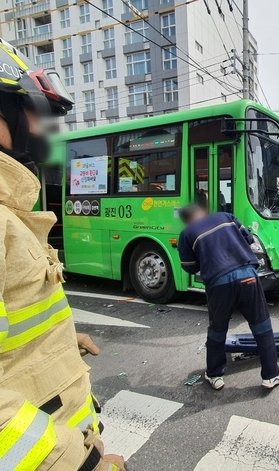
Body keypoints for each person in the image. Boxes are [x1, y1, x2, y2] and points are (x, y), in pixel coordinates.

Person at [0, 39, 125, 469]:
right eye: (32, 112)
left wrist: (59, 342)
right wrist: (84, 465)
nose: (42, 129)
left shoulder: (9, 213)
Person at [177, 204, 279, 390]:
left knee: (217, 330)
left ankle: (215, 376)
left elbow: (189, 266)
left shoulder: (186, 234)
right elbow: (249, 238)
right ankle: (271, 376)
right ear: (201, 212)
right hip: (247, 276)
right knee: (262, 326)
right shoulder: (226, 217)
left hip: (218, 283)